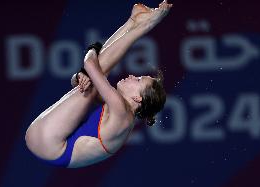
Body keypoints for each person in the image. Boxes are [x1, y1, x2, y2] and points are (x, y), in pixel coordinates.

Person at [25, 0, 172, 168]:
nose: (132, 76)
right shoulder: (122, 111)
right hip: (48, 145)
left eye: (138, 80)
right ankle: (134, 22)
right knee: (94, 81)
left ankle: (144, 24)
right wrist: (82, 77)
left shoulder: (121, 111)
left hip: (49, 144)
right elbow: (78, 83)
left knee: (99, 71)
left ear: (138, 98)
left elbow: (89, 64)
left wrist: (93, 48)